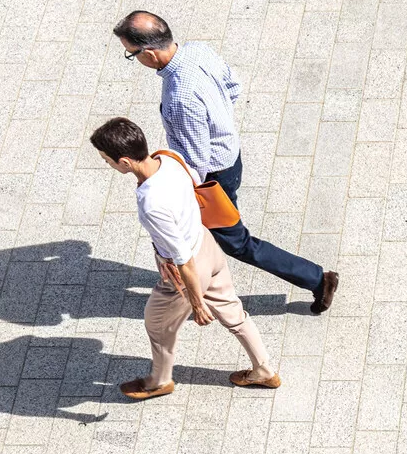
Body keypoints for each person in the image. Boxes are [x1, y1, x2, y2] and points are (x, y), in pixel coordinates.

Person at [113, 10, 339, 314]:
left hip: (212, 178)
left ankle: (317, 279)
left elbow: (196, 161)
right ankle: (196, 275)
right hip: (230, 156)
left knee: (238, 243)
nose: (134, 60)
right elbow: (232, 87)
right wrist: (219, 121)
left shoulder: (180, 96)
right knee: (217, 235)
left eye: (132, 54)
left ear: (149, 53)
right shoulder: (198, 50)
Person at [89, 117, 281, 399]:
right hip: (207, 243)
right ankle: (263, 369)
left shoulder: (151, 203)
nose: (106, 164)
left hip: (188, 269)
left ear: (125, 163)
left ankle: (159, 381)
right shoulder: (169, 158)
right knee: (233, 312)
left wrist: (196, 302)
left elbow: (182, 259)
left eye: (107, 160)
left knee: (157, 325)